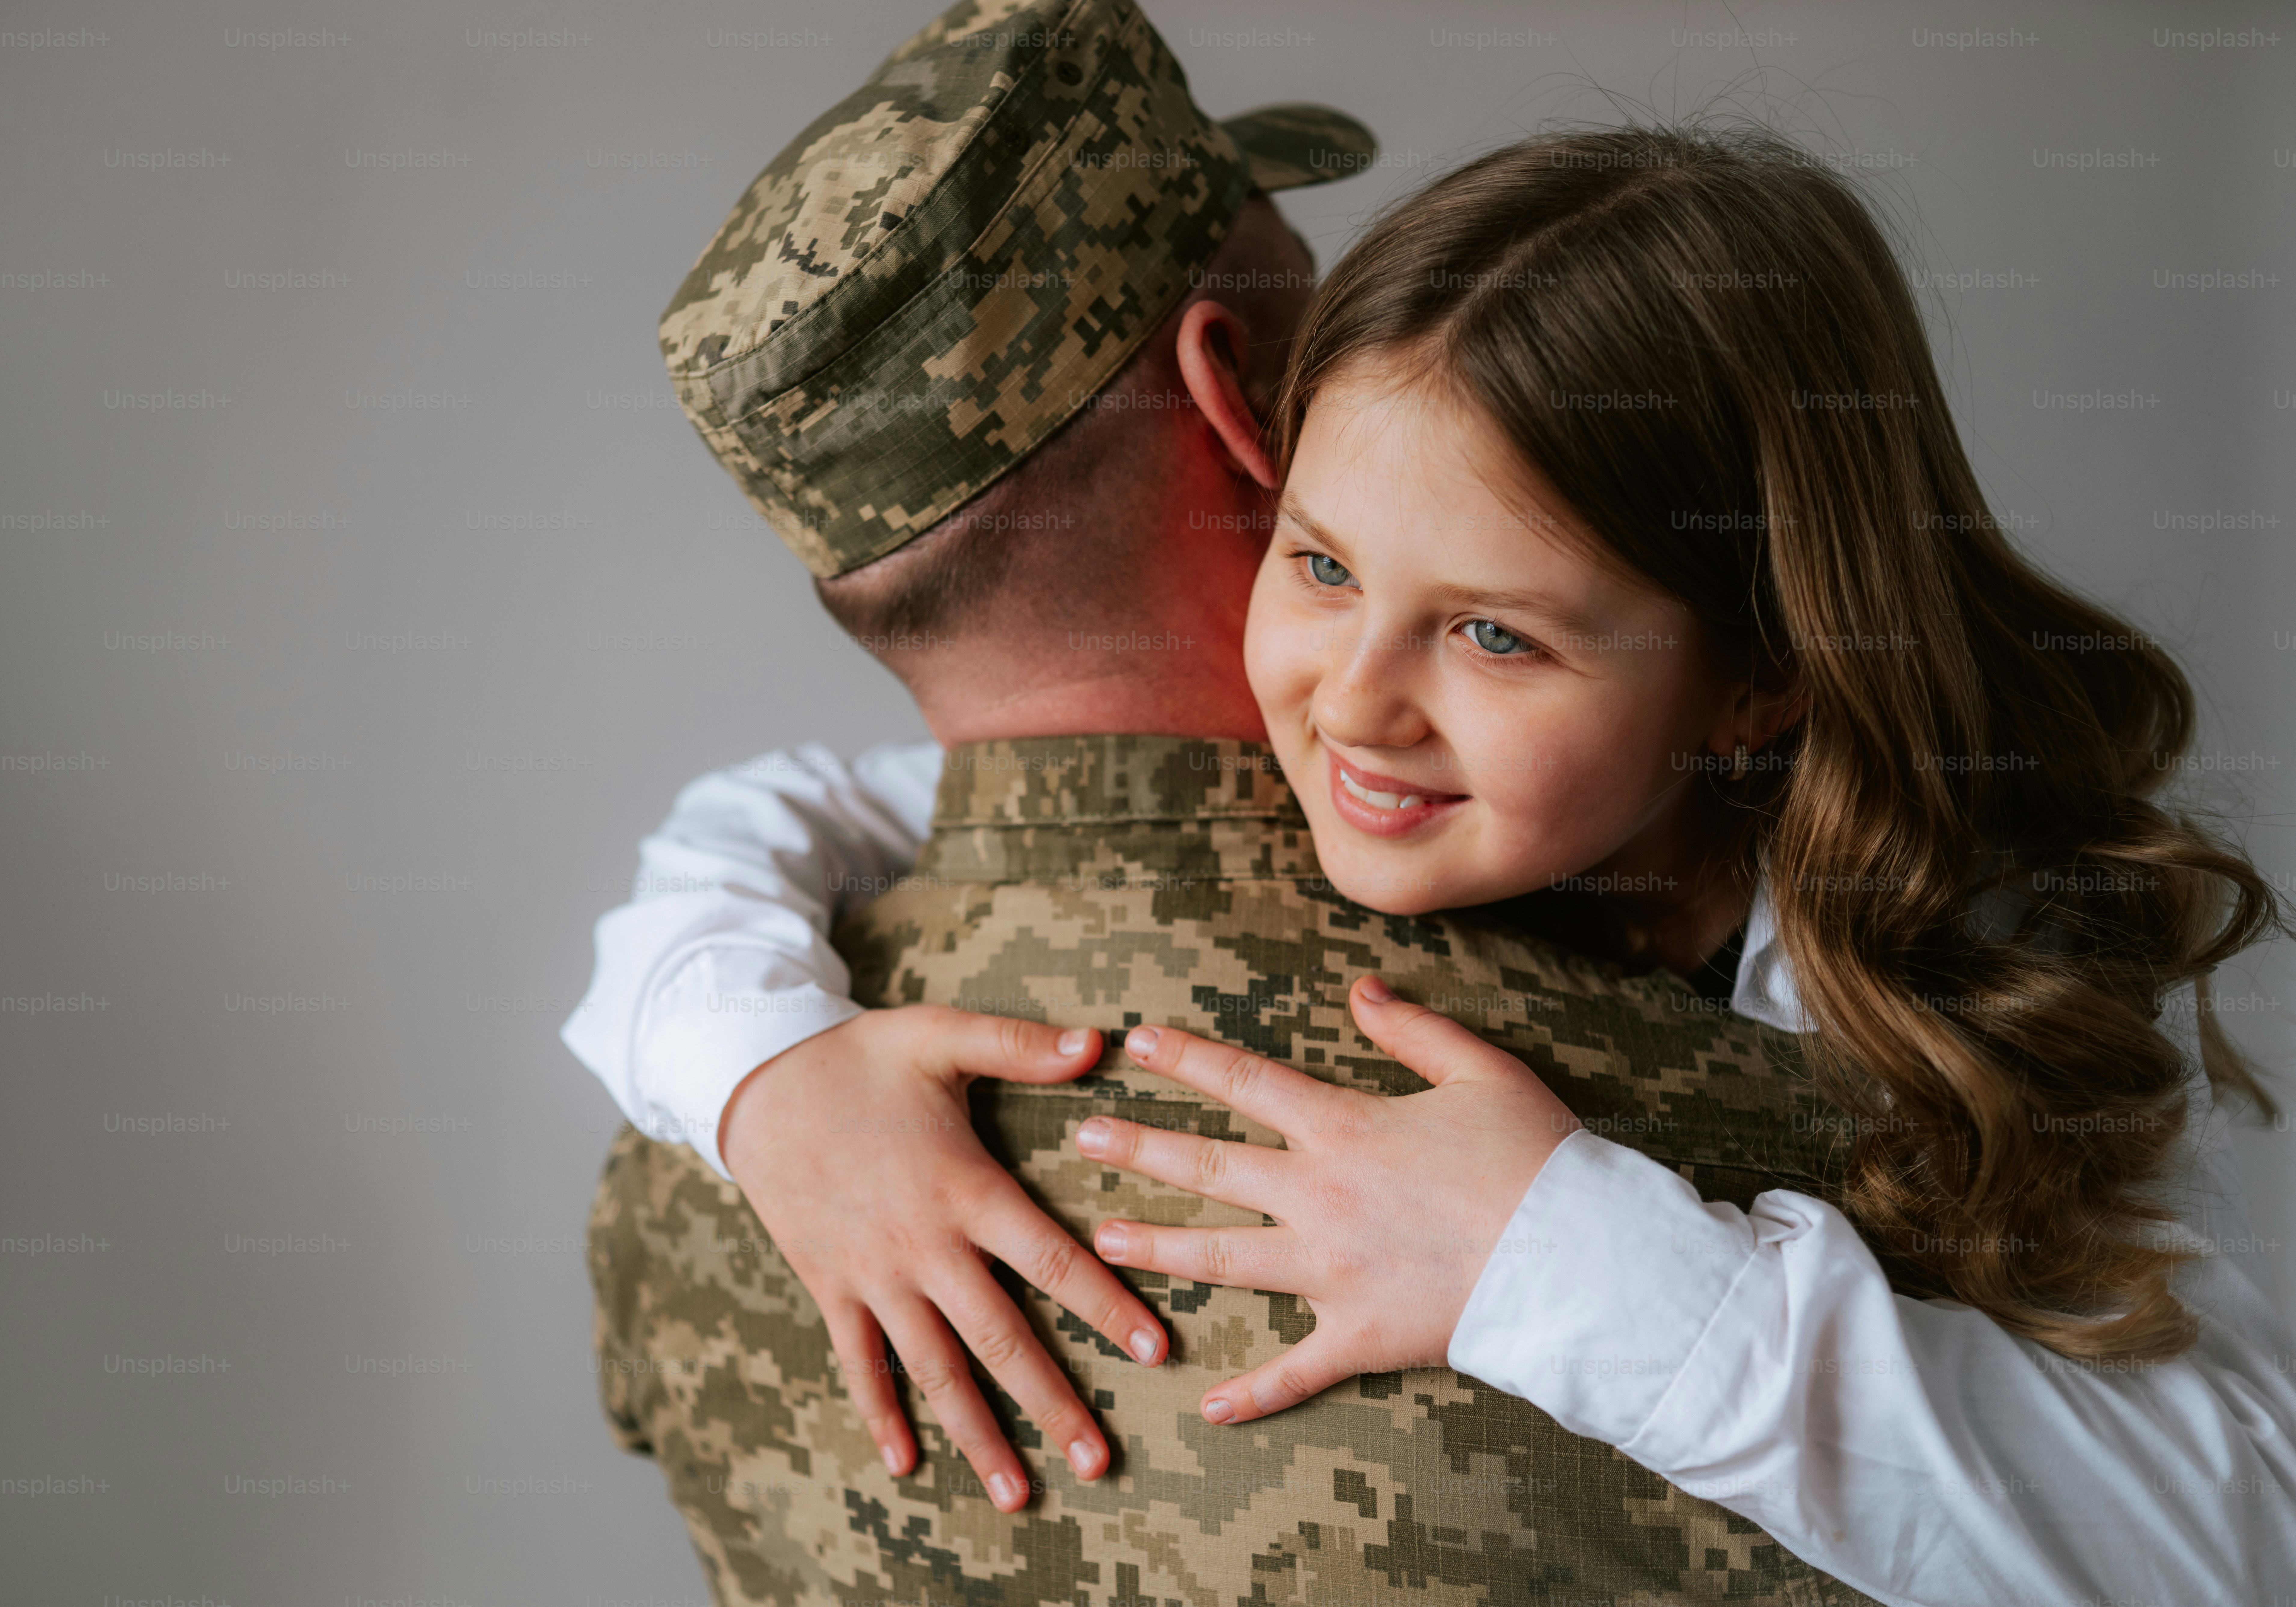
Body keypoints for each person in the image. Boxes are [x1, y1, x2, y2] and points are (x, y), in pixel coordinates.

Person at [571, 4, 2296, 1604]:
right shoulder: (1352, 776)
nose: (1356, 701)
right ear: (1248, 412)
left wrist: (1541, 1252)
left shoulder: (1957, 967)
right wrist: (759, 1075)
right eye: (1317, 561)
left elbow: (2241, 1528)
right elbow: (800, 804)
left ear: (1762, 667)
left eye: (1493, 631)